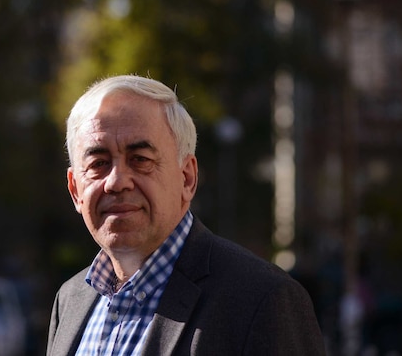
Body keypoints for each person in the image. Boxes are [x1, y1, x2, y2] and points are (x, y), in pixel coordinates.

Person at [47, 74, 326, 356]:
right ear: (75, 190)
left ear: (187, 178)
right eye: (98, 163)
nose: (117, 181)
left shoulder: (262, 300)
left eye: (140, 160)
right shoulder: (70, 302)